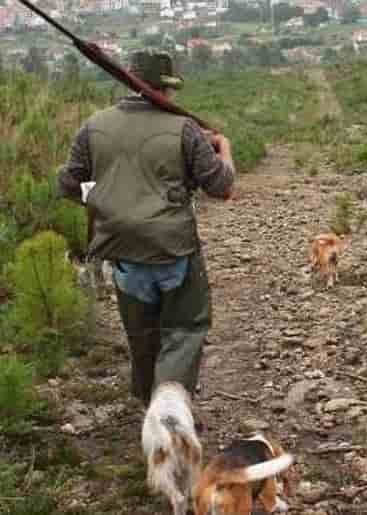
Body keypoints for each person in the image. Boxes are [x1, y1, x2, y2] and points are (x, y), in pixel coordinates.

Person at [57, 49, 235, 408]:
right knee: (183, 333)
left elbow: (67, 184)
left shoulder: (94, 126)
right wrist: (223, 149)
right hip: (174, 252)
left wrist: (105, 201)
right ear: (166, 88)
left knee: (142, 338)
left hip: (123, 254)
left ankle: (148, 405)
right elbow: (222, 186)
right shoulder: (184, 130)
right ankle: (169, 413)